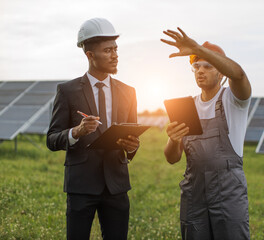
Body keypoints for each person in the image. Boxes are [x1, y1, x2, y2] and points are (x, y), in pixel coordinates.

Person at [47, 18, 139, 240]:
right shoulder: (67, 91)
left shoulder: (129, 92)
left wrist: (133, 146)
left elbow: (133, 139)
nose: (115, 55)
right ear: (90, 55)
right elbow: (51, 139)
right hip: (81, 185)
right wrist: (75, 132)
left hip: (117, 186)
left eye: (116, 49)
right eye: (108, 50)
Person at [161, 27, 252, 239]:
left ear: (220, 71)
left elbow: (238, 75)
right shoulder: (186, 106)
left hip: (228, 190)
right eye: (196, 66)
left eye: (208, 66)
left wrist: (196, 47)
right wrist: (173, 140)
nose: (200, 70)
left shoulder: (234, 100)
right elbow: (172, 158)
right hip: (194, 192)